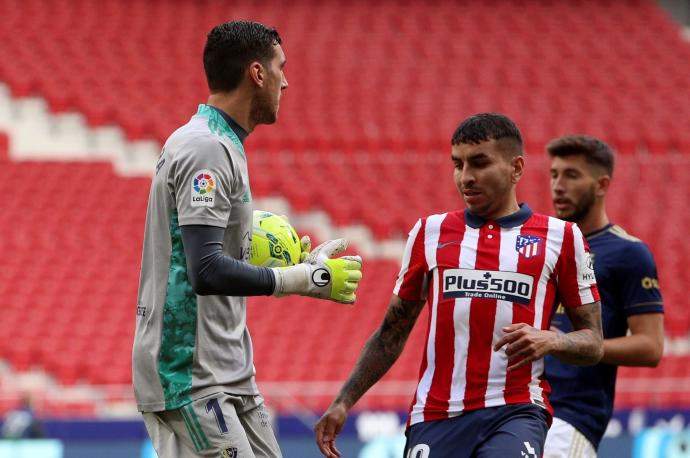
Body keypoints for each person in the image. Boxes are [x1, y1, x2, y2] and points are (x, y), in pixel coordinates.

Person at [132, 20, 363, 458]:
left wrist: (288, 265)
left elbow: (210, 255)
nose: (286, 81)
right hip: (189, 372)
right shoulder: (206, 148)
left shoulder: (220, 143)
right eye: (281, 67)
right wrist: (301, 279)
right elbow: (205, 269)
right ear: (257, 73)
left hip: (227, 367)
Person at [314, 113, 605, 458]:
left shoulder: (562, 237)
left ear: (516, 168)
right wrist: (344, 401)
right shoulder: (429, 233)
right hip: (436, 416)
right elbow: (392, 332)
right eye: (458, 164)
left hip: (516, 410)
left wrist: (551, 340)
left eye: (479, 163)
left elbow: (593, 341)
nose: (466, 177)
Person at [543, 135, 664, 457]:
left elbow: (651, 347)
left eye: (571, 175)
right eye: (554, 174)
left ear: (601, 184)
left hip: (570, 416)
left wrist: (576, 346)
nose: (558, 185)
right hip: (518, 409)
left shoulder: (628, 253)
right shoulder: (544, 245)